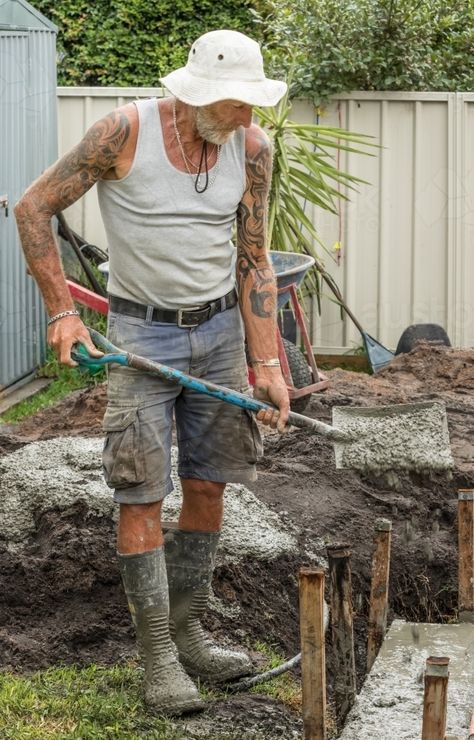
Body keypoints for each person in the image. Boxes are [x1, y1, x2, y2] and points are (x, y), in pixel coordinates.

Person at [14, 29, 290, 715]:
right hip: (142, 333)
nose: (246, 117)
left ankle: (190, 634)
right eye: (234, 104)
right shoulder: (121, 134)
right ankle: (159, 659)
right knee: (139, 489)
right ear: (193, 93)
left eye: (253, 104)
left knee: (209, 485)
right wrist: (62, 314)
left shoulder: (251, 149)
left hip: (222, 332)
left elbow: (255, 258)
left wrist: (267, 362)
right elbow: (33, 207)